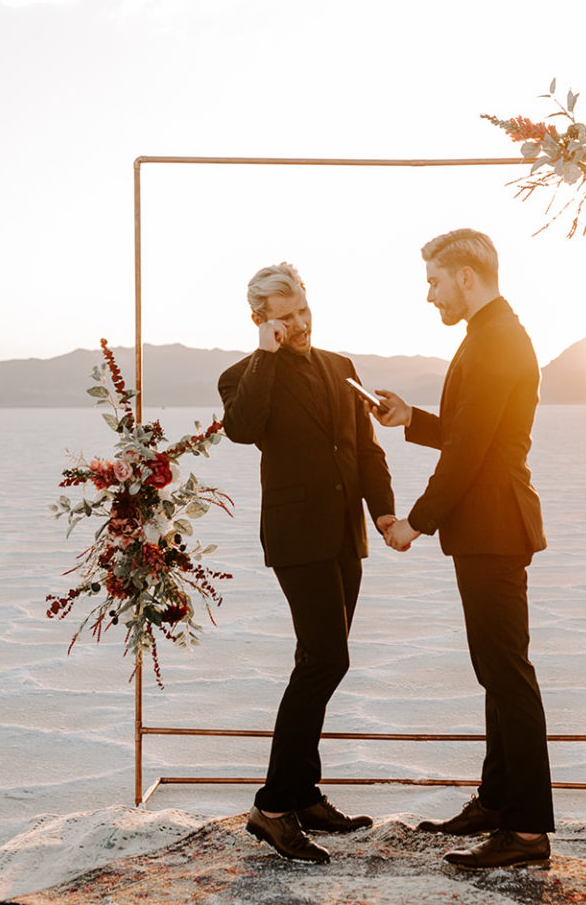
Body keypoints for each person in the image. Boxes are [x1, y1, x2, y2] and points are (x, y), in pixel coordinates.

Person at [374, 228, 554, 869]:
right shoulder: (489, 336)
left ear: (466, 277)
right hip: (487, 527)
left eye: (434, 281)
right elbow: (469, 429)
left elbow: (473, 453)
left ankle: (528, 832)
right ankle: (498, 800)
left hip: (495, 526)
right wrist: (411, 420)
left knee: (508, 675)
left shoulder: (498, 340)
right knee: (496, 672)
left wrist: (413, 524)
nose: (430, 295)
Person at [218, 261, 398, 865]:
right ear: (261, 321)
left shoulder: (341, 368)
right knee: (326, 659)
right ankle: (272, 809)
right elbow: (243, 429)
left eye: (302, 311)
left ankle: (303, 793)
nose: (297, 324)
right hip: (297, 538)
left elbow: (365, 448)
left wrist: (384, 515)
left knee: (319, 661)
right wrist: (266, 355)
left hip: (348, 534)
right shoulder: (240, 376)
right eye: (283, 317)